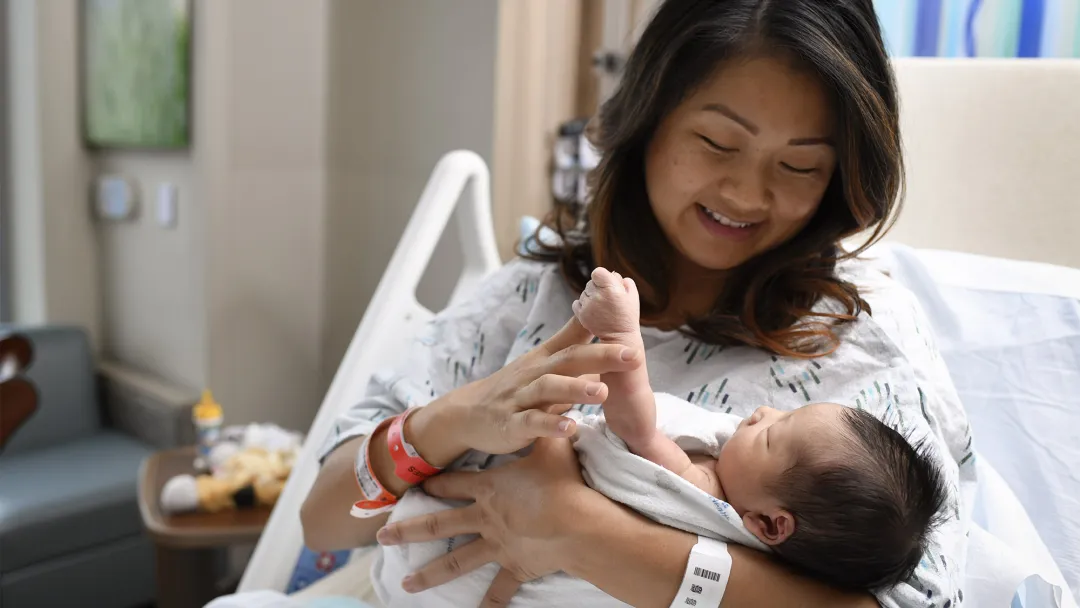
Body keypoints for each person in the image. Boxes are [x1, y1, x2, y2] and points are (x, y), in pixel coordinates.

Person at [300, 0, 975, 606]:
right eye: (717, 143)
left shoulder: (860, 336)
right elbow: (325, 517)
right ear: (648, 120)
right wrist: (448, 422)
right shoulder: (532, 294)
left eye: (800, 166)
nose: (745, 194)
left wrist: (583, 532)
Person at [572, 267, 948, 591]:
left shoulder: (704, 490)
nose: (762, 412)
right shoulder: (756, 505)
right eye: (784, 413)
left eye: (771, 435)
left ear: (769, 524)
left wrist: (621, 339)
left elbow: (634, 425)